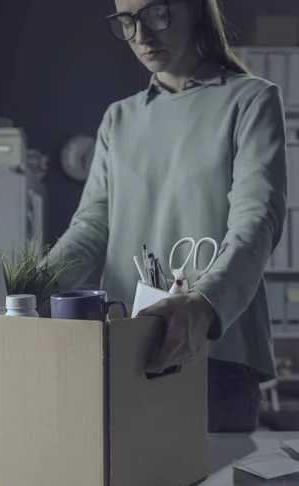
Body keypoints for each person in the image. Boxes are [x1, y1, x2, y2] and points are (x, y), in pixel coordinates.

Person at [46, 0, 287, 433]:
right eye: (127, 20)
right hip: (125, 350)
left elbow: (257, 220)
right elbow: (90, 230)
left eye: (156, 13)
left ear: (195, 9)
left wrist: (204, 303)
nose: (140, 33)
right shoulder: (118, 120)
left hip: (215, 351)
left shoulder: (251, 100)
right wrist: (31, 287)